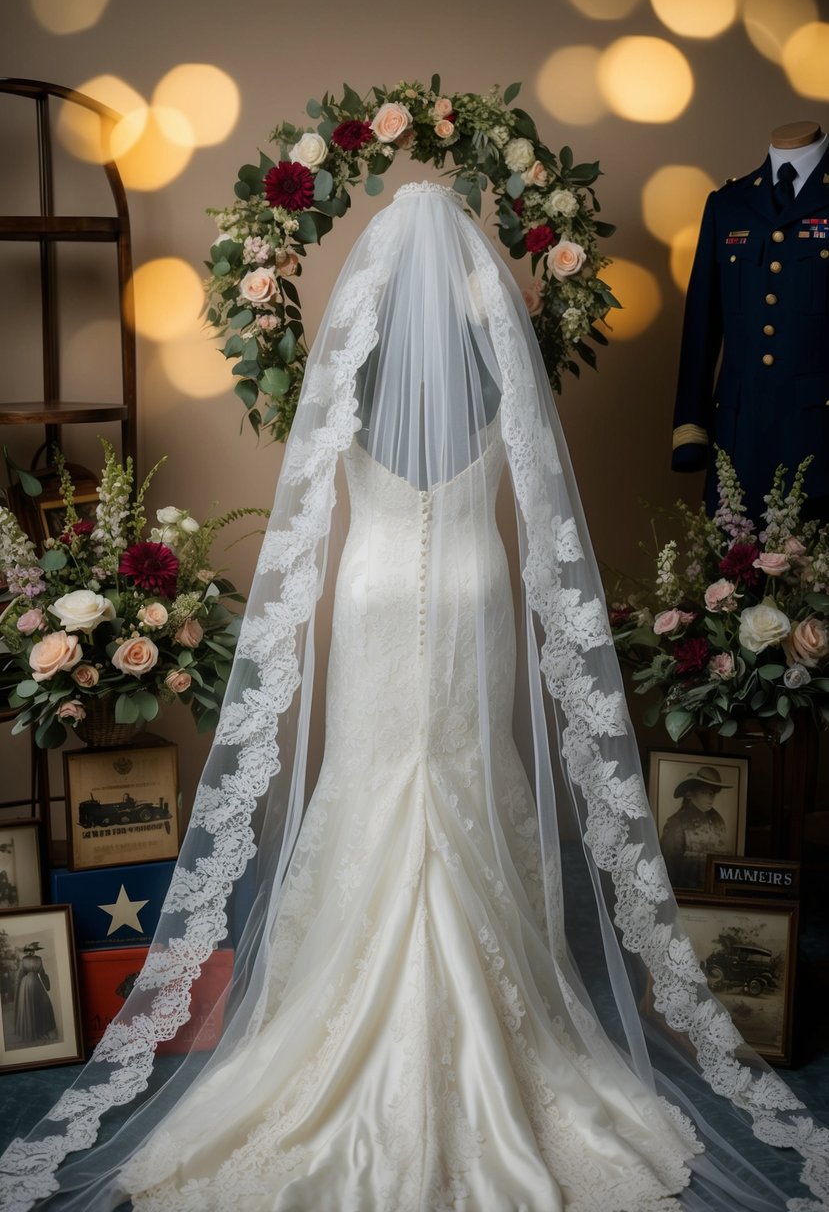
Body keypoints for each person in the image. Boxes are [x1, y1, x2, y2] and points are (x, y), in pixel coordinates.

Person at [1, 182, 828, 1211]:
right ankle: (504, 1022)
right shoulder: (505, 361)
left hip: (376, 590)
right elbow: (541, 506)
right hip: (476, 582)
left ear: (375, 279)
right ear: (472, 274)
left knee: (373, 775)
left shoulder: (342, 357)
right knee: (466, 775)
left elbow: (305, 507)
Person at [671, 120, 829, 522]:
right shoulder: (728, 204)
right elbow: (701, 327)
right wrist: (690, 431)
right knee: (735, 577)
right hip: (740, 439)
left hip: (819, 435)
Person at [660, 766, 731, 890]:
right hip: (686, 894)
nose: (710, 797)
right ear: (689, 794)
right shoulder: (676, 824)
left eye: (713, 793)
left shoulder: (718, 821)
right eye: (704, 792)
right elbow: (669, 869)